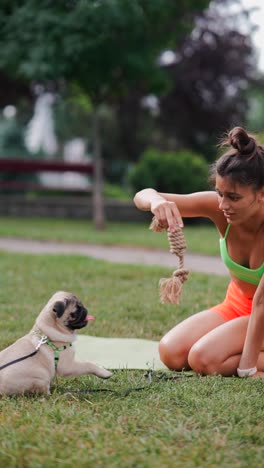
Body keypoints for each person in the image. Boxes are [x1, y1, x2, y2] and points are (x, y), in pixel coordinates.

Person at [133, 126, 264, 378]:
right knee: (171, 352)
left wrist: (247, 368)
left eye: (233, 198)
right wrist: (157, 202)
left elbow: (261, 304)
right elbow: (142, 195)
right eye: (220, 194)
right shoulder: (220, 208)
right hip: (237, 307)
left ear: (261, 194)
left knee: (203, 360)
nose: (223, 205)